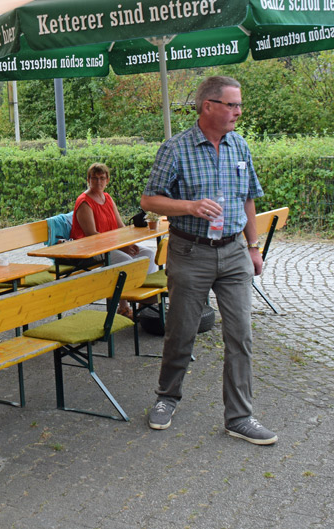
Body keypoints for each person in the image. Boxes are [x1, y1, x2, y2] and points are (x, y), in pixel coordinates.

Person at [141, 76, 276, 445]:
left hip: (234, 252)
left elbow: (249, 198)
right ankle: (166, 397)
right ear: (208, 106)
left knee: (241, 337)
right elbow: (149, 200)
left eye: (239, 105)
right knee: (181, 331)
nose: (238, 112)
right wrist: (189, 206)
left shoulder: (240, 146)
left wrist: (253, 246)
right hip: (190, 252)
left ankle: (240, 417)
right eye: (232, 105)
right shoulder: (176, 148)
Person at [70, 162, 157, 318]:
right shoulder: (84, 202)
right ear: (88, 180)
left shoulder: (107, 198)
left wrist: (128, 242)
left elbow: (120, 226)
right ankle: (123, 305)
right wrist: (121, 247)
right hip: (92, 248)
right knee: (126, 261)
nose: (98, 182)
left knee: (148, 254)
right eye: (94, 178)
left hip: (113, 245)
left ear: (107, 180)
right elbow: (92, 235)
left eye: (102, 178)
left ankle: (144, 301)